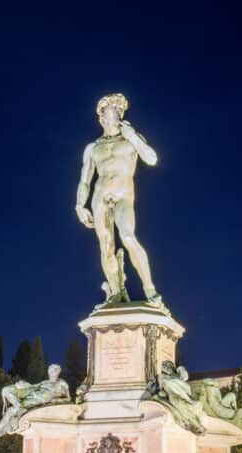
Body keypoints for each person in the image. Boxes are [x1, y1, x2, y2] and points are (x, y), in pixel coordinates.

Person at [75, 93, 161, 306]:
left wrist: (132, 136)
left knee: (128, 237)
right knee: (106, 246)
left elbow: (152, 159)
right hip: (99, 196)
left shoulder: (130, 140)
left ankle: (150, 291)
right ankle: (115, 291)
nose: (109, 116)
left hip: (123, 194)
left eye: (114, 111)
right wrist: (79, 205)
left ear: (120, 115)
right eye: (105, 112)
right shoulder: (93, 148)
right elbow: (85, 180)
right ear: (101, 117)